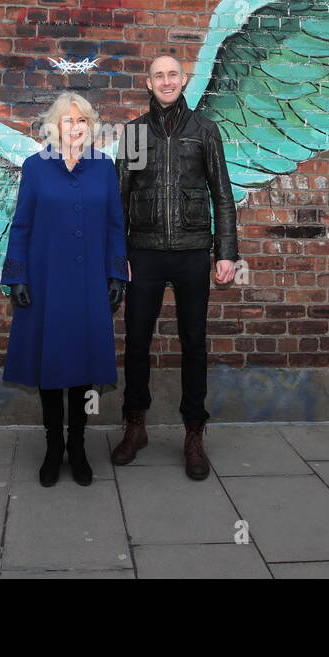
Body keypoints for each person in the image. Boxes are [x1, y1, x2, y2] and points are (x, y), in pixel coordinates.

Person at [113, 55, 238, 480]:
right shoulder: (132, 133)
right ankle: (135, 425)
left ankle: (194, 433)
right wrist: (117, 257)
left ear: (183, 81)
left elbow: (222, 194)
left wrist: (226, 252)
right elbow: (118, 199)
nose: (166, 82)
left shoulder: (205, 131)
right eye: (158, 75)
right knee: (136, 343)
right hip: (143, 252)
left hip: (191, 251)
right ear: (147, 82)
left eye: (172, 75)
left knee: (194, 343)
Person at [1, 92, 129, 486]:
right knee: (50, 365)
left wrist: (115, 274)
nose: (75, 128)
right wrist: (17, 276)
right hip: (46, 280)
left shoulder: (103, 167)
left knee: (81, 368)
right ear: (54, 127)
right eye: (67, 121)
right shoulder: (36, 168)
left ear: (91, 127)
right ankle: (53, 446)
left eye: (82, 121)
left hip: (89, 282)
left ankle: (78, 445)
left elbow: (113, 225)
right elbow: (21, 225)